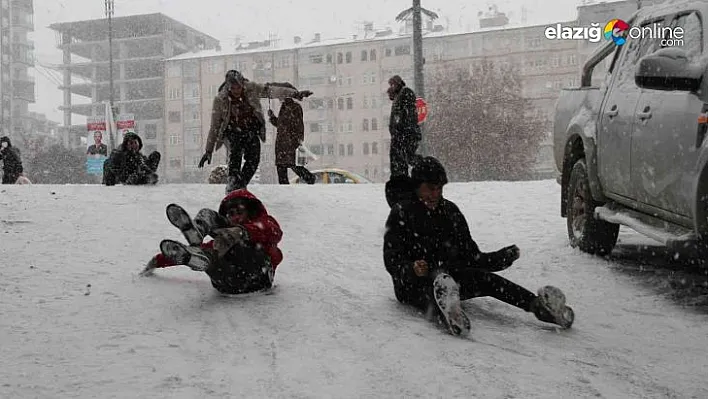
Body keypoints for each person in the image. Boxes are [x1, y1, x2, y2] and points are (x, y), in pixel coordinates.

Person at [383, 156, 574, 335]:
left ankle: (540, 307)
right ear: (417, 187)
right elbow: (391, 259)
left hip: (450, 277)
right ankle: (449, 315)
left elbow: (471, 256)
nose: (435, 195)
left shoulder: (450, 212)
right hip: (413, 284)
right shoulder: (401, 213)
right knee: (433, 286)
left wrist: (498, 259)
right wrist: (411, 269)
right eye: (430, 189)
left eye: (439, 189)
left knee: (486, 280)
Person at [141, 189, 283, 295]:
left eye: (240, 212)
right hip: (229, 283)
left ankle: (206, 258)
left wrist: (242, 231)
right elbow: (205, 247)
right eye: (231, 214)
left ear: (250, 212)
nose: (236, 217)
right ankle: (199, 236)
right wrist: (159, 260)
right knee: (211, 245)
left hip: (258, 278)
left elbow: (274, 232)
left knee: (234, 244)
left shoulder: (264, 224)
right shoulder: (223, 240)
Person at [198, 70, 313, 193]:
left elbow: (272, 90)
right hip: (232, 131)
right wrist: (208, 150)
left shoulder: (252, 88)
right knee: (235, 153)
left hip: (251, 130)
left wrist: (295, 94)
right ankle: (233, 179)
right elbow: (214, 126)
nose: (236, 91)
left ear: (243, 84)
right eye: (233, 88)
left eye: (239, 87)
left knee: (254, 159)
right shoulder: (220, 99)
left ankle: (240, 184)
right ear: (228, 87)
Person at [267, 86, 316, 185]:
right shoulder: (284, 107)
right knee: (282, 167)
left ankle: (309, 178)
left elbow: (299, 126)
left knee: (292, 165)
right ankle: (285, 187)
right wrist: (272, 117)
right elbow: (281, 125)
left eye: (281, 96)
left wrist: (297, 141)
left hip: (289, 142)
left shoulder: (295, 107)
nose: (279, 98)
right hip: (282, 142)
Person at [387, 75, 421, 178]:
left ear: (398, 84)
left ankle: (426, 169)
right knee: (399, 160)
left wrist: (402, 130)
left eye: (392, 84)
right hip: (399, 135)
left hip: (405, 134)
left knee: (406, 158)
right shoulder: (398, 97)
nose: (390, 87)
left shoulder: (405, 92)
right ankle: (400, 180)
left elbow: (409, 115)